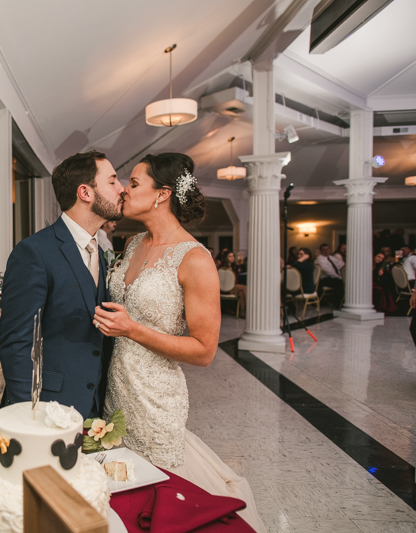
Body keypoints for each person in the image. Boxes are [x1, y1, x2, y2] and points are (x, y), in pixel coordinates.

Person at [93, 153, 266, 532]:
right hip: (116, 390)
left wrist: (132, 329)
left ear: (163, 194)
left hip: (156, 399)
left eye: (134, 183)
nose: (123, 189)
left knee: (164, 503)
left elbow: (204, 350)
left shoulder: (194, 258)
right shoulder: (134, 242)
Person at [0, 150, 123, 418]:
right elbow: (16, 344)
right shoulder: (34, 252)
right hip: (47, 406)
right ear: (85, 192)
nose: (121, 189)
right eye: (112, 181)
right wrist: (27, 416)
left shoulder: (97, 252)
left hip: (91, 406)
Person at [218, 250, 247, 318]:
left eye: (233, 256)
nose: (232, 258)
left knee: (241, 293)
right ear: (226, 258)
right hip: (224, 288)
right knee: (245, 288)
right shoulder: (222, 267)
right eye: (229, 256)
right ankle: (251, 308)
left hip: (233, 288)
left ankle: (242, 311)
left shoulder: (234, 267)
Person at [315, 243, 344, 308]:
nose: (326, 251)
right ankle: (338, 304)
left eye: (327, 249)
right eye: (323, 250)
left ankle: (344, 301)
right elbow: (328, 272)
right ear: (321, 251)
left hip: (335, 277)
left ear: (329, 250)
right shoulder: (320, 259)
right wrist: (340, 277)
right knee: (339, 283)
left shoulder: (332, 258)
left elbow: (342, 265)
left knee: (342, 282)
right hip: (325, 279)